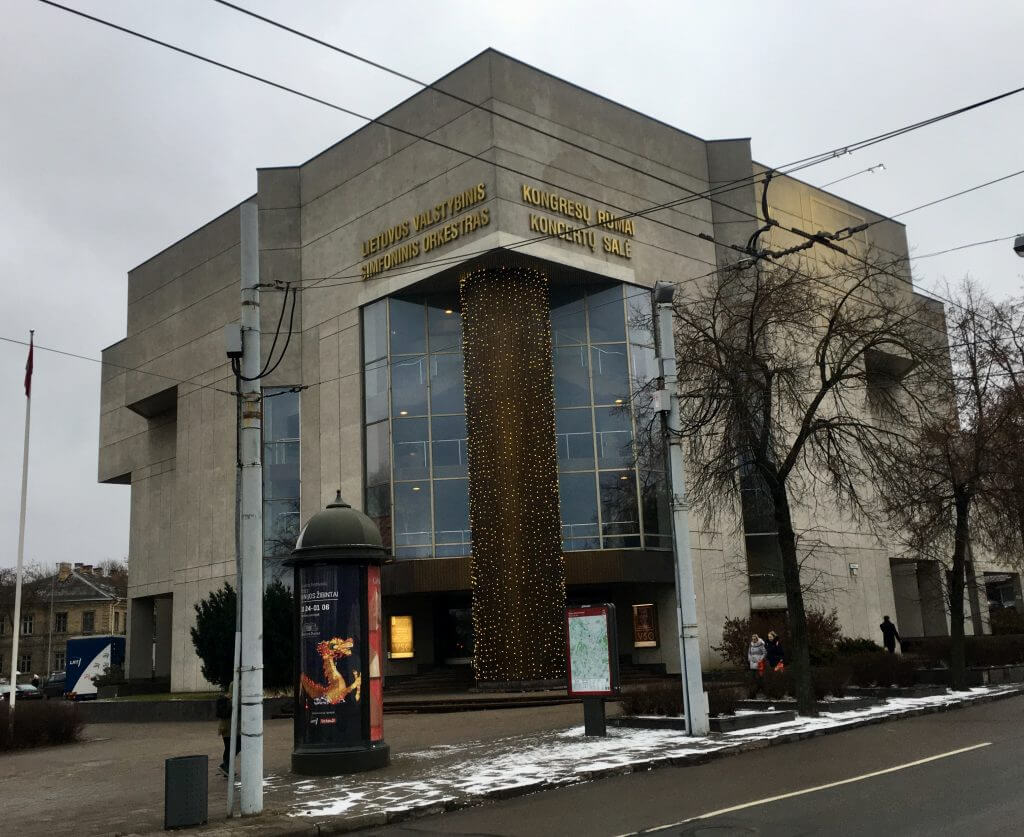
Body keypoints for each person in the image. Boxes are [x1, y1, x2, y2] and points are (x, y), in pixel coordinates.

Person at [216, 683, 239, 777]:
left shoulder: (227, 698)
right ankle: (225, 766)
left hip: (224, 728)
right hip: (229, 728)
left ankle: (227, 769)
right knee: (234, 746)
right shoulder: (233, 700)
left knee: (229, 747)